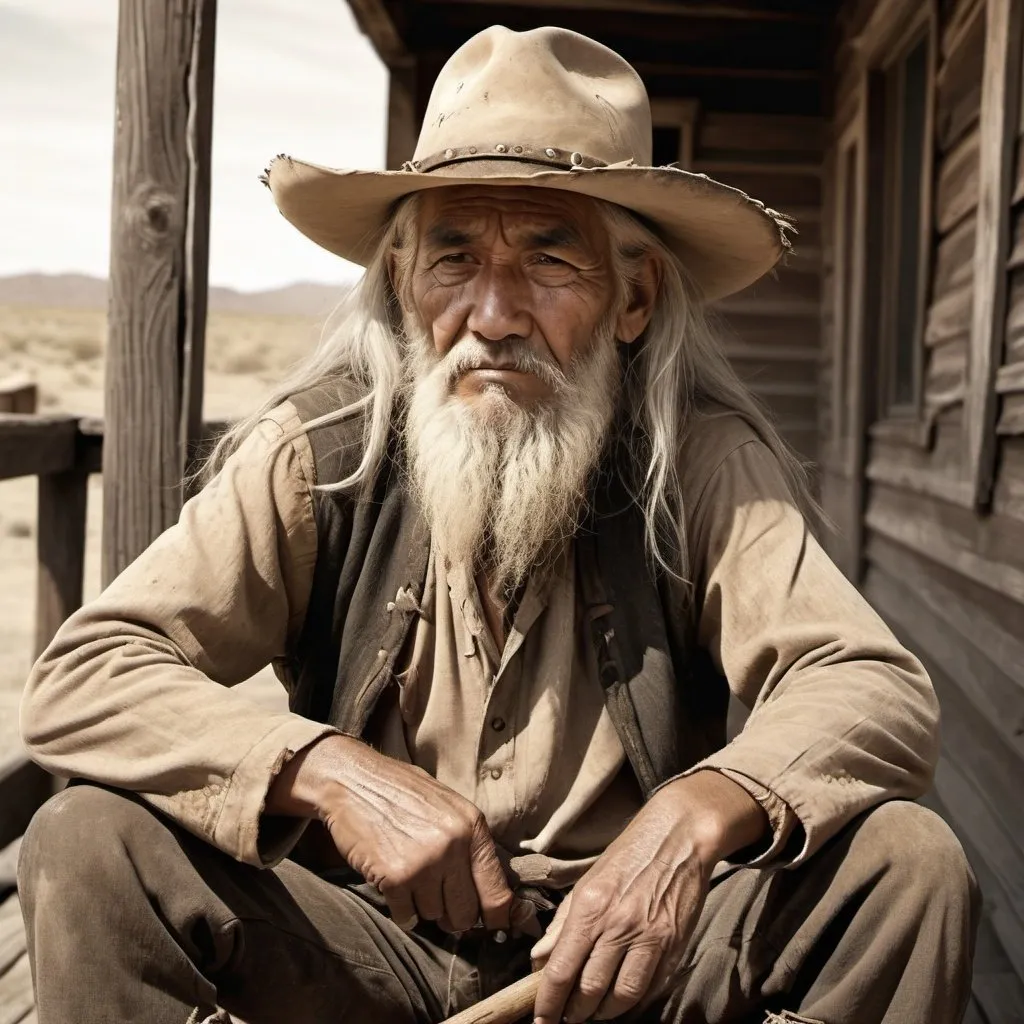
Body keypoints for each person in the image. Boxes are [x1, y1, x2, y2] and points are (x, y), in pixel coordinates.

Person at [18, 24, 977, 1024]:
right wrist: (334, 775)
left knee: (905, 865)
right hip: (368, 951)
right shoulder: (322, 455)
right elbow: (87, 673)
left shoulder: (695, 461)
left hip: (628, 962)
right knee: (88, 839)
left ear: (633, 297)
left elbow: (871, 683)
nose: (493, 311)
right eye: (453, 259)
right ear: (402, 284)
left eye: (548, 260)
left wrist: (692, 820)